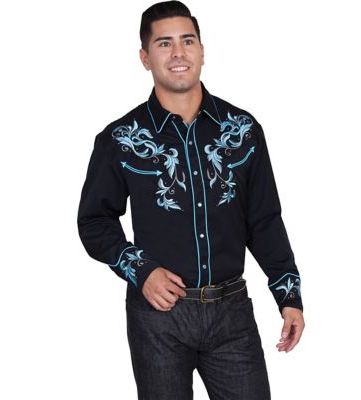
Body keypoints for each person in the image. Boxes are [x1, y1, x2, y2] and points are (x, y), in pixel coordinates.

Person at [77, 1, 305, 399]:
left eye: (187, 41)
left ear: (202, 50)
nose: (178, 53)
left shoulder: (242, 130)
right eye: (164, 43)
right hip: (158, 317)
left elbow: (264, 219)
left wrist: (288, 295)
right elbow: (94, 221)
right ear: (145, 57)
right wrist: (141, 270)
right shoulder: (120, 139)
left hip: (232, 314)